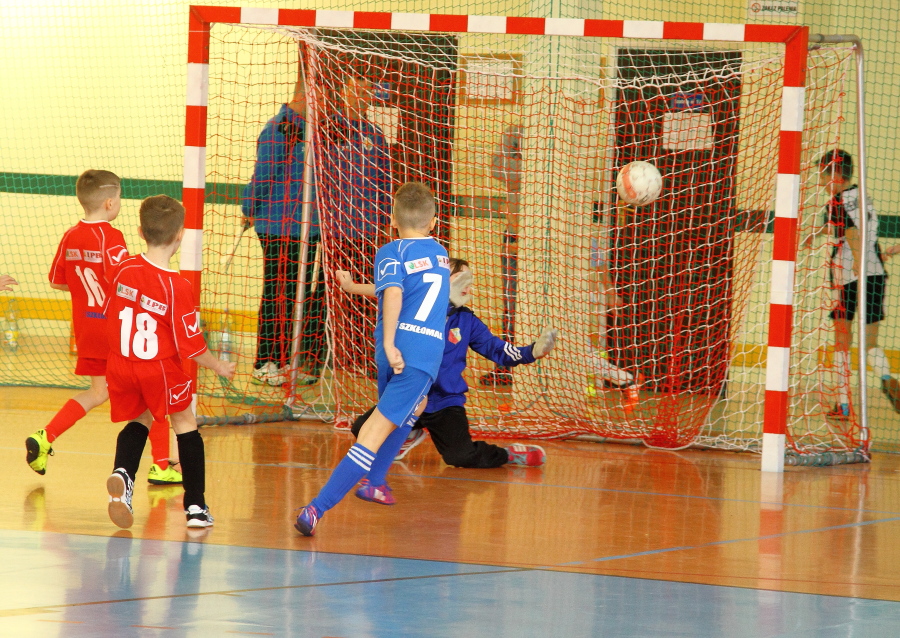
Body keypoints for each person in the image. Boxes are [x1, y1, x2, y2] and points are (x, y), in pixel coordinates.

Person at [293, 182, 448, 536]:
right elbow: (394, 292)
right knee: (374, 433)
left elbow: (396, 288)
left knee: (416, 406)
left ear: (392, 220)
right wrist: (394, 345)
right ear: (434, 221)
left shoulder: (391, 251)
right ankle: (317, 508)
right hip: (418, 355)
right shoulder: (441, 254)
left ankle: (375, 481)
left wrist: (354, 292)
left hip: (389, 351)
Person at [26, 170, 181, 486]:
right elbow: (126, 280)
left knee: (99, 392)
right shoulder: (111, 237)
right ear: (110, 203)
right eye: (120, 198)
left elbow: (57, 281)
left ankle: (45, 435)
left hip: (85, 329)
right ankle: (160, 465)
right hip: (115, 330)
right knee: (151, 392)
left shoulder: (71, 236)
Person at [340, 258, 555, 471]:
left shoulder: (466, 320)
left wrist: (532, 352)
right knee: (361, 429)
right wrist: (351, 287)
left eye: (469, 279)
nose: (466, 284)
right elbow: (390, 291)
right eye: (460, 277)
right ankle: (410, 432)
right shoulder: (413, 309)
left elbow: (497, 349)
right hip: (409, 396)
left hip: (444, 402)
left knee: (460, 456)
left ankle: (509, 454)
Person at [103, 195, 236, 529]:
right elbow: (192, 347)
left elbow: (111, 313)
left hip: (121, 364)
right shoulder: (177, 286)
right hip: (157, 368)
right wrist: (218, 366)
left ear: (140, 231)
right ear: (180, 235)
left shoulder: (123, 269)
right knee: (186, 425)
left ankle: (123, 474)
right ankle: (196, 507)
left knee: (139, 420)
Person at [242, 77, 322, 387]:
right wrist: (249, 208)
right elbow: (263, 175)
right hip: (277, 227)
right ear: (305, 94)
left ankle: (287, 359)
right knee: (278, 295)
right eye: (320, 97)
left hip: (306, 228)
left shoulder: (312, 131)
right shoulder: (278, 128)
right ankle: (266, 361)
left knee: (294, 296)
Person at [319, 67, 392, 377]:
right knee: (333, 295)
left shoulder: (376, 135)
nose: (361, 97)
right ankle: (334, 354)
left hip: (367, 232)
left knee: (367, 296)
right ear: (343, 93)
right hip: (334, 231)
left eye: (366, 92)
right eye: (356, 91)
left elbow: (385, 183)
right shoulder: (328, 129)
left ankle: (364, 355)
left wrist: (384, 223)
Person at [818, 149, 900, 418]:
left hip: (850, 275)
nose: (821, 181)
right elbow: (852, 225)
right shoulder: (863, 197)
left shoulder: (836, 201)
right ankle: (887, 377)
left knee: (842, 339)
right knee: (871, 342)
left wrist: (855, 261)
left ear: (835, 175)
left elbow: (851, 231)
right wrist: (817, 231)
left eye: (823, 175)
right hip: (876, 274)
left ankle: (843, 405)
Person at [481, 124, 522, 387]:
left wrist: (519, 167)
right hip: (514, 234)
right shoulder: (515, 132)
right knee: (511, 304)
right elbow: (498, 169)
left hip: (542, 238)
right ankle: (506, 366)